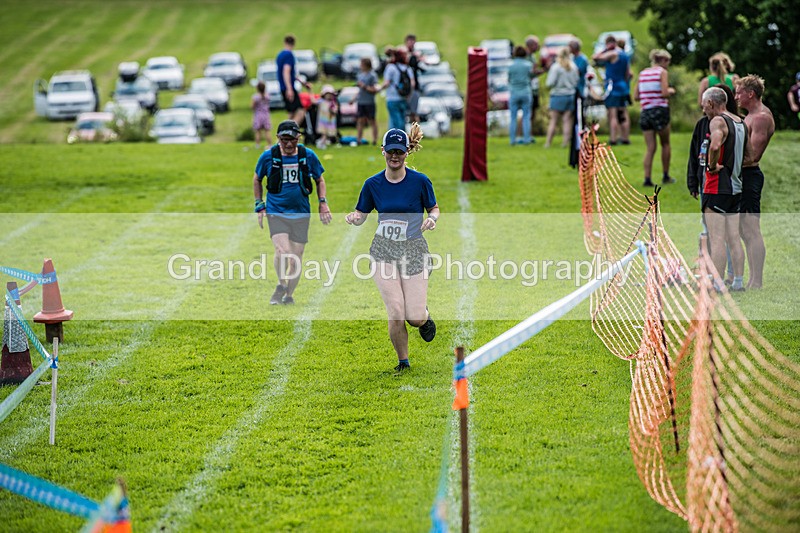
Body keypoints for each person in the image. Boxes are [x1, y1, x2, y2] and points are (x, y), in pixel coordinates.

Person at [345, 126, 439, 372]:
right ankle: (403, 362)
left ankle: (425, 317)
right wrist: (355, 217)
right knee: (396, 311)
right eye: (390, 151)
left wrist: (432, 219)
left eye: (399, 151)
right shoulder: (372, 184)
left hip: (414, 249)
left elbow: (434, 208)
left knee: (414, 316)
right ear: (383, 151)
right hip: (383, 251)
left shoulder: (420, 181)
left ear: (407, 151)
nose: (394, 156)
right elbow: (362, 212)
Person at [253, 120, 332, 305]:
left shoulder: (307, 155)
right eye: (284, 139)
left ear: (299, 138)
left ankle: (288, 295)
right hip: (276, 211)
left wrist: (323, 203)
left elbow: (320, 180)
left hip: (301, 213)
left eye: (292, 140)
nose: (288, 144)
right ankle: (281, 285)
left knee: (295, 260)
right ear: (278, 138)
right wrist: (259, 204)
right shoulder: (268, 156)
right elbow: (257, 179)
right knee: (283, 251)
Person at [698, 87, 748, 291]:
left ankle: (717, 285)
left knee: (716, 238)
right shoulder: (740, 122)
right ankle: (738, 282)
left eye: (704, 107)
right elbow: (749, 154)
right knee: (733, 238)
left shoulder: (717, 120)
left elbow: (715, 145)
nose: (704, 112)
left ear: (710, 103)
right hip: (736, 187)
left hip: (717, 186)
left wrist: (711, 166)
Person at [735, 74, 774, 289]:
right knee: (743, 231)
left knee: (751, 229)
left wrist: (727, 164)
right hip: (742, 176)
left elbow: (753, 156)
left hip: (750, 177)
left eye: (739, 92)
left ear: (751, 93)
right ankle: (751, 279)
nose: (736, 96)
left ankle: (756, 281)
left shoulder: (760, 118)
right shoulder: (749, 115)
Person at [634, 49, 676, 187]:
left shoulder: (642, 73)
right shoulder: (662, 72)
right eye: (668, 61)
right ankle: (665, 175)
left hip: (645, 112)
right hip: (660, 111)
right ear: (663, 60)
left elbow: (636, 96)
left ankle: (647, 179)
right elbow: (664, 93)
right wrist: (671, 90)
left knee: (650, 147)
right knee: (665, 143)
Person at [592, 35, 632, 145]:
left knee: (613, 113)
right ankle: (625, 138)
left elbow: (595, 57)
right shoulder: (625, 54)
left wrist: (606, 49)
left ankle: (613, 138)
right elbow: (628, 73)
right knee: (623, 113)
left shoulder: (613, 53)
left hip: (613, 87)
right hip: (623, 86)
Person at [544, 47, 579, 148]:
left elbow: (549, 83)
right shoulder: (573, 66)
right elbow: (576, 81)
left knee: (553, 120)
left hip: (557, 95)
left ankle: (548, 143)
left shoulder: (556, 67)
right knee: (567, 120)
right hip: (570, 95)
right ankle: (565, 142)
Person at [276, 34, 310, 125]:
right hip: (288, 87)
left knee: (291, 113)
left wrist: (302, 82)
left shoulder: (280, 55)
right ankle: (289, 133)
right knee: (300, 111)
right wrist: (289, 89)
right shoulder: (289, 55)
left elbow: (292, 74)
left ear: (285, 42)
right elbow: (286, 72)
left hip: (283, 87)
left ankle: (285, 134)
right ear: (293, 44)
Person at [381, 48, 413, 130]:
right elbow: (412, 83)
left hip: (392, 97)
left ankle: (395, 138)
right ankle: (403, 138)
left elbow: (387, 82)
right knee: (402, 119)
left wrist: (379, 88)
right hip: (403, 97)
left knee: (395, 121)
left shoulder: (391, 67)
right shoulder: (407, 68)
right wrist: (409, 94)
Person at [507, 45, 534, 145]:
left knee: (513, 117)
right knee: (526, 116)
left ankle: (512, 140)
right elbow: (531, 76)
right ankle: (527, 139)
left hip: (514, 92)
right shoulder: (528, 65)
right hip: (526, 92)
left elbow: (509, 79)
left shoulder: (510, 65)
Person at [524, 35, 547, 133]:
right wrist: (545, 69)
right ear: (530, 45)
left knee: (533, 113)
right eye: (536, 44)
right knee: (528, 113)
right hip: (528, 89)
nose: (538, 46)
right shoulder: (526, 57)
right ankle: (525, 133)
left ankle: (528, 133)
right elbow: (531, 73)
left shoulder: (532, 56)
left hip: (533, 89)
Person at [356, 57, 380, 145]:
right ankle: (359, 139)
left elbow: (375, 89)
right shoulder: (360, 75)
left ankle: (374, 139)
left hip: (369, 102)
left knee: (372, 121)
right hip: (360, 101)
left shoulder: (373, 76)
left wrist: (364, 86)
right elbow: (359, 90)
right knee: (360, 121)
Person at [405, 34, 424, 123]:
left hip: (414, 88)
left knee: (414, 112)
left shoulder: (417, 55)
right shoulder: (404, 55)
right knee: (406, 113)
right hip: (405, 88)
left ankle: (416, 133)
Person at [315, 84, 338, 149]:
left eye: (330, 95)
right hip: (322, 120)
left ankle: (322, 142)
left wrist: (332, 110)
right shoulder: (321, 101)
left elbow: (335, 111)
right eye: (327, 94)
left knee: (326, 133)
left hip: (329, 121)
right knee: (324, 133)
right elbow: (314, 101)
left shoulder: (333, 103)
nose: (329, 96)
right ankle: (322, 142)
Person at [251, 81, 271, 149]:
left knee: (258, 131)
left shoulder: (256, 97)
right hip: (266, 115)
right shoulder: (267, 96)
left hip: (258, 115)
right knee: (267, 131)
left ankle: (257, 145)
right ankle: (270, 144)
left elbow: (252, 106)